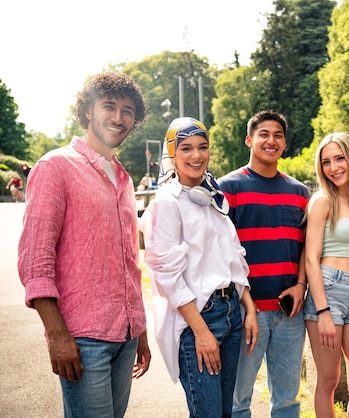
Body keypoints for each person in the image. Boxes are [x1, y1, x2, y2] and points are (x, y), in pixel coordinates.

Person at [17, 71, 151, 417]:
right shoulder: (55, 166)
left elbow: (129, 261)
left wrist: (140, 329)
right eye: (109, 107)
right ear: (88, 111)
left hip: (126, 336)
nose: (118, 118)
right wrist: (57, 335)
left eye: (128, 111)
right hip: (83, 339)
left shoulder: (123, 178)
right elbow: (36, 261)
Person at [141, 117, 258, 417]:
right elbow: (167, 274)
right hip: (200, 320)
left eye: (202, 147)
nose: (196, 155)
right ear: (172, 154)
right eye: (186, 148)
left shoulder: (212, 197)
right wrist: (201, 331)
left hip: (231, 313)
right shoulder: (168, 201)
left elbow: (233, 256)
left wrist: (249, 307)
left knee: (224, 413)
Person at [217, 110, 310, 418]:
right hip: (245, 312)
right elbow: (222, 254)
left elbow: (305, 250)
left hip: (289, 312)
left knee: (286, 399)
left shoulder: (300, 193)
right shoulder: (227, 188)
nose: (271, 141)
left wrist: (300, 285)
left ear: (284, 143)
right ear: (250, 140)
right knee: (236, 400)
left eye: (278, 135)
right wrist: (246, 306)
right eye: (264, 134)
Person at [304, 132, 349, 418]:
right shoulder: (322, 201)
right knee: (329, 381)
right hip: (329, 292)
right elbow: (310, 259)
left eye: (339, 158)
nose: (333, 167)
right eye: (326, 162)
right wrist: (322, 311)